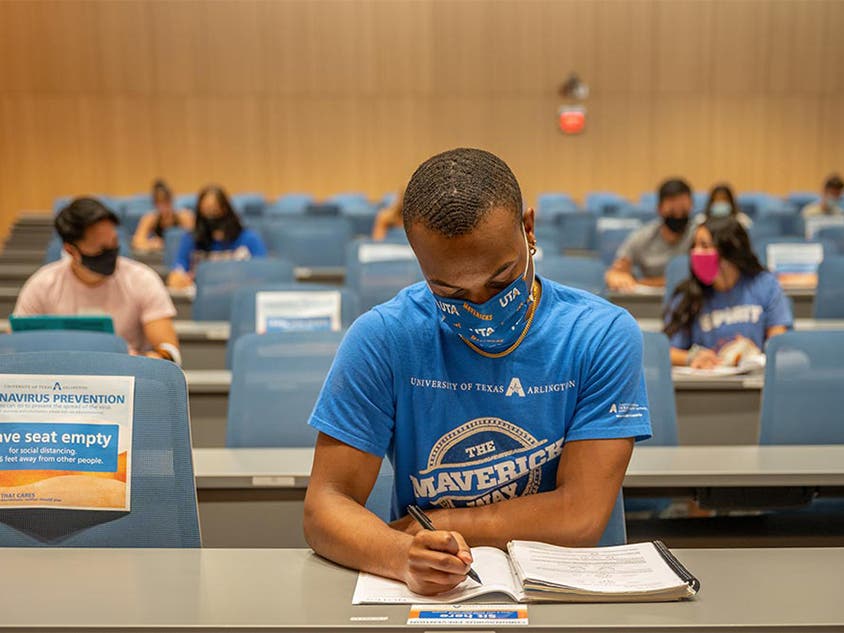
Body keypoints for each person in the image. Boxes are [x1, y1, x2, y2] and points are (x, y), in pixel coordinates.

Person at [303, 148, 652, 596]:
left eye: (500, 281)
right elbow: (324, 506)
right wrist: (400, 556)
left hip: (569, 592)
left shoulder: (601, 333)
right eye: (450, 290)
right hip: (438, 596)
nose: (482, 308)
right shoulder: (384, 337)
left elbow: (580, 516)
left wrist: (439, 525)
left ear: (528, 228)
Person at [14, 198, 181, 362]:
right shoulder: (42, 285)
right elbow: (18, 347)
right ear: (71, 251)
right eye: (101, 249)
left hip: (126, 378)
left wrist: (149, 358)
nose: (111, 254)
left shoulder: (142, 279)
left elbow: (169, 350)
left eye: (114, 243)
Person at [663, 216, 792, 369]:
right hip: (707, 383)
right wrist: (692, 358)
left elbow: (779, 345)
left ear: (728, 251)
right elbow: (667, 351)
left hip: (755, 381)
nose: (696, 252)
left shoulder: (765, 285)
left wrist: (755, 354)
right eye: (695, 245)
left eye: (704, 245)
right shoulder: (688, 294)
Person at [166, 185, 267, 289]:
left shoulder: (249, 239)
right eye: (206, 211)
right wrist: (179, 278)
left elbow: (262, 274)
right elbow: (177, 272)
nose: (211, 217)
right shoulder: (191, 240)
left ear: (226, 211)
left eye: (215, 211)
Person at [605, 178, 695, 291]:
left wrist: (643, 282)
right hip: (651, 301)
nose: (678, 215)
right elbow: (617, 270)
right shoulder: (643, 236)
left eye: (683, 210)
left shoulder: (699, 235)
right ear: (660, 209)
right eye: (672, 211)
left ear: (691, 206)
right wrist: (617, 276)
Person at [131, 180, 194, 252]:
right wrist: (151, 244)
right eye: (159, 203)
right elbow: (137, 241)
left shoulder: (184, 216)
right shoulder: (150, 218)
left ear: (171, 201)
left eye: (166, 202)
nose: (163, 207)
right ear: (155, 204)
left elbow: (194, 239)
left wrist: (167, 244)